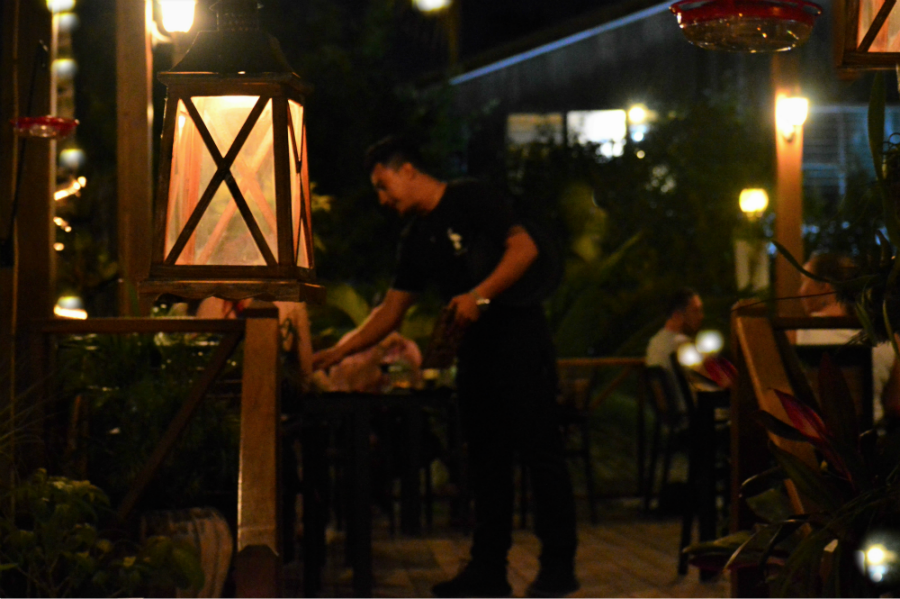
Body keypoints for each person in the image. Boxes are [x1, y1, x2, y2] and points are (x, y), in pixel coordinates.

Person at [312, 135, 578, 598]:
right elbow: (390, 311)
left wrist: (479, 295)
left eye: (383, 184)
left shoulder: (471, 197)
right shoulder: (416, 238)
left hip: (519, 339)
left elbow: (526, 249)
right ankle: (488, 571)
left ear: (408, 170)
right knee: (485, 463)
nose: (381, 198)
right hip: (475, 355)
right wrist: (338, 351)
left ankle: (559, 567)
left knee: (541, 454)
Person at [796, 252, 900, 423]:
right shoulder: (889, 339)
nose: (800, 292)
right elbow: (896, 406)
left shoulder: (796, 335)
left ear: (825, 286)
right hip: (873, 444)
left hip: (817, 443)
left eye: (803, 282)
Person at [645, 288, 705, 411]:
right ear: (677, 315)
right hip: (694, 420)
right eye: (695, 311)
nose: (701, 316)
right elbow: (711, 381)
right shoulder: (683, 344)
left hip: (670, 423)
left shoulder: (653, 343)